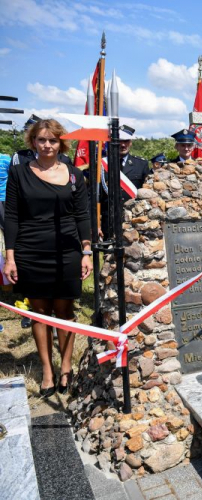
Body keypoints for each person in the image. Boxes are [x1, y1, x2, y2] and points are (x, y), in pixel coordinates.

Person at [3, 118, 92, 397]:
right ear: (33, 142)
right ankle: (47, 371)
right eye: (41, 140)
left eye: (52, 140)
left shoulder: (75, 174)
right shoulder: (18, 173)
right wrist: (10, 257)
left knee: (65, 312)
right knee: (39, 312)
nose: (47, 145)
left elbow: (82, 215)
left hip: (68, 250)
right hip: (30, 251)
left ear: (60, 143)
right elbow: (12, 216)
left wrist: (86, 252)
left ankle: (65, 367)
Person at [100, 125, 150, 240]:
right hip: (110, 219)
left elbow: (146, 193)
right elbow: (93, 196)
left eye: (126, 141)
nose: (123, 145)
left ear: (131, 142)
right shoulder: (102, 165)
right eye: (119, 141)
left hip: (134, 217)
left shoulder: (141, 164)